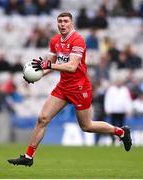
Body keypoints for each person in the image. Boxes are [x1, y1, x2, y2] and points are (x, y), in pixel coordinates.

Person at [8, 12, 132, 167]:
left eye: (65, 21)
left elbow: (72, 67)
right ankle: (28, 156)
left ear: (71, 23)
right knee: (43, 118)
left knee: (87, 126)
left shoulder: (78, 40)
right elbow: (49, 65)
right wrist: (37, 76)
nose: (62, 24)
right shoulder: (55, 41)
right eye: (59, 21)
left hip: (80, 88)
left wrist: (49, 65)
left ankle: (121, 132)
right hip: (63, 87)